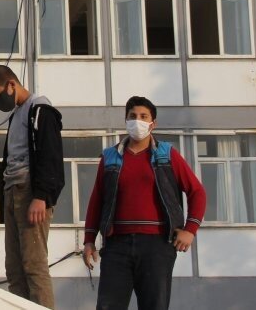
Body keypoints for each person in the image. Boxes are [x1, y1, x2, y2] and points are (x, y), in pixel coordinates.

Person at [82, 96, 207, 310]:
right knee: (107, 306)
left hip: (157, 246)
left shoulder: (167, 155)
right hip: (116, 246)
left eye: (143, 116)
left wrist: (190, 230)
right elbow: (97, 200)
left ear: (152, 123)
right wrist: (88, 240)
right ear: (126, 120)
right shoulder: (110, 157)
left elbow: (197, 192)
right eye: (132, 116)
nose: (137, 121)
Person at [0, 65, 63, 309]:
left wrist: (41, 196)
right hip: (12, 189)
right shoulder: (17, 115)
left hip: (30, 192)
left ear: (11, 85)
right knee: (14, 269)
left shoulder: (40, 110)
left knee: (34, 264)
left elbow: (50, 156)